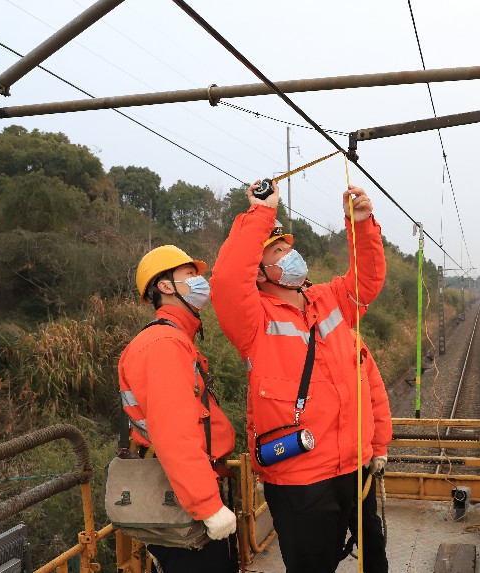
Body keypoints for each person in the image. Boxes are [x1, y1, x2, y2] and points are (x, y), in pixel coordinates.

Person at [210, 180, 387, 573]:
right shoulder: (252, 320)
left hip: (352, 466)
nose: (290, 256)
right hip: (300, 476)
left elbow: (369, 279)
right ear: (259, 273)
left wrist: (361, 225)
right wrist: (261, 213)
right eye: (277, 252)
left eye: (289, 248)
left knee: (374, 557)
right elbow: (224, 281)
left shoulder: (329, 298)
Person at [118, 245, 238, 573]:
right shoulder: (162, 346)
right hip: (182, 500)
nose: (201, 280)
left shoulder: (175, 338)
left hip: (184, 492)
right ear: (166, 286)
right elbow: (174, 435)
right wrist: (209, 506)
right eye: (190, 274)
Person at [341, 337, 392, 573]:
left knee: (369, 529)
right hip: (315, 467)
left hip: (357, 463)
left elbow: (375, 397)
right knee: (321, 540)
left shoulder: (353, 341)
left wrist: (379, 448)